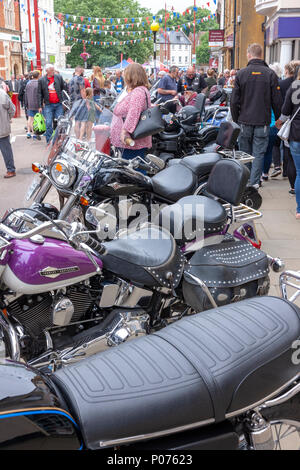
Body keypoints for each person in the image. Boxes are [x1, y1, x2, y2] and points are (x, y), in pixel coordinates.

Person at [230, 43, 283, 188]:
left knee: (245, 153)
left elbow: (234, 101)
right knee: (259, 153)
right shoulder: (270, 74)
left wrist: (236, 119)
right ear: (261, 55)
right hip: (263, 121)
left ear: (248, 54)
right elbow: (277, 100)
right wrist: (278, 119)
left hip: (244, 120)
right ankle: (254, 184)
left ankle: (245, 182)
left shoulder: (241, 74)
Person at [111, 63, 151, 162]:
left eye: (126, 74)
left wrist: (125, 132)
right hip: (132, 140)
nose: (124, 76)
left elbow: (133, 114)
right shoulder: (140, 90)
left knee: (133, 169)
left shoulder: (138, 92)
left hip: (132, 141)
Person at [276, 68, 300, 219]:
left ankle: (299, 209)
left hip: (296, 135)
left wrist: (279, 122)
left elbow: (285, 112)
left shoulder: (295, 86)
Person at [0, 87, 16, 178]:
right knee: (6, 150)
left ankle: (11, 170)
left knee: (6, 150)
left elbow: (11, 109)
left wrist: (8, 118)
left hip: (2, 128)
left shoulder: (2, 94)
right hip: (3, 126)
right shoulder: (2, 93)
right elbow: (12, 109)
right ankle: (10, 170)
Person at [25, 70, 40, 140]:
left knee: (30, 119)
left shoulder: (28, 83)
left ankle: (29, 132)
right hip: (37, 104)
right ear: (38, 76)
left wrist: (26, 103)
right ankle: (35, 133)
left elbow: (26, 94)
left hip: (30, 103)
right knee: (37, 119)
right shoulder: (39, 83)